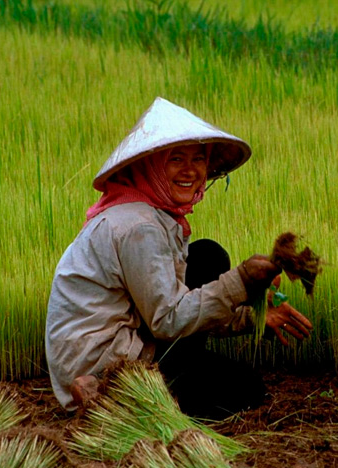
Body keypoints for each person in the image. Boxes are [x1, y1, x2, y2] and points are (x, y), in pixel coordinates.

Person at [45, 97, 313, 417]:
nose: (190, 170)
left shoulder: (150, 216)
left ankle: (137, 385)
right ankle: (108, 394)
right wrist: (241, 280)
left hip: (127, 338)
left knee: (207, 256)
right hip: (105, 359)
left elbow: (174, 303)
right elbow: (169, 319)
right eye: (176, 159)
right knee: (244, 388)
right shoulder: (140, 227)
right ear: (151, 165)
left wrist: (253, 318)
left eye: (198, 159)